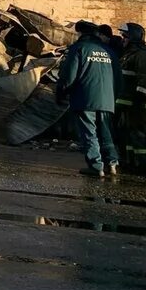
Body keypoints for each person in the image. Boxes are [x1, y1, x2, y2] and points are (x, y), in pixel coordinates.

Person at [56, 21, 120, 178]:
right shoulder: (109, 51)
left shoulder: (79, 48)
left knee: (89, 133)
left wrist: (61, 93)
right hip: (107, 100)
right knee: (106, 132)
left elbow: (69, 75)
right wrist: (113, 96)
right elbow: (118, 78)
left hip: (85, 98)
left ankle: (96, 166)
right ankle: (112, 164)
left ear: (80, 33)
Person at [115, 22, 146, 179]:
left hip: (142, 105)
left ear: (133, 37)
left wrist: (139, 101)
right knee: (130, 137)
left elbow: (145, 83)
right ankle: (132, 163)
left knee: (143, 137)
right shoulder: (129, 54)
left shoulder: (142, 55)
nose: (123, 39)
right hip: (131, 105)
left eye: (125, 36)